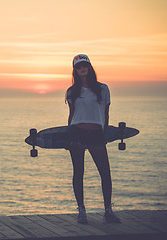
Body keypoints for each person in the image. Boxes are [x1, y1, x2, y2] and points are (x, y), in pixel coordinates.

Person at [65, 54, 121, 224]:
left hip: (96, 134)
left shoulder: (103, 89)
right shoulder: (71, 91)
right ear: (75, 70)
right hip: (76, 133)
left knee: (105, 173)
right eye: (78, 66)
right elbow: (71, 115)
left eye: (85, 65)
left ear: (89, 67)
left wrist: (104, 134)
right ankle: (81, 211)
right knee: (78, 172)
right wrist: (68, 135)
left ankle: (108, 210)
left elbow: (106, 113)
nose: (82, 68)